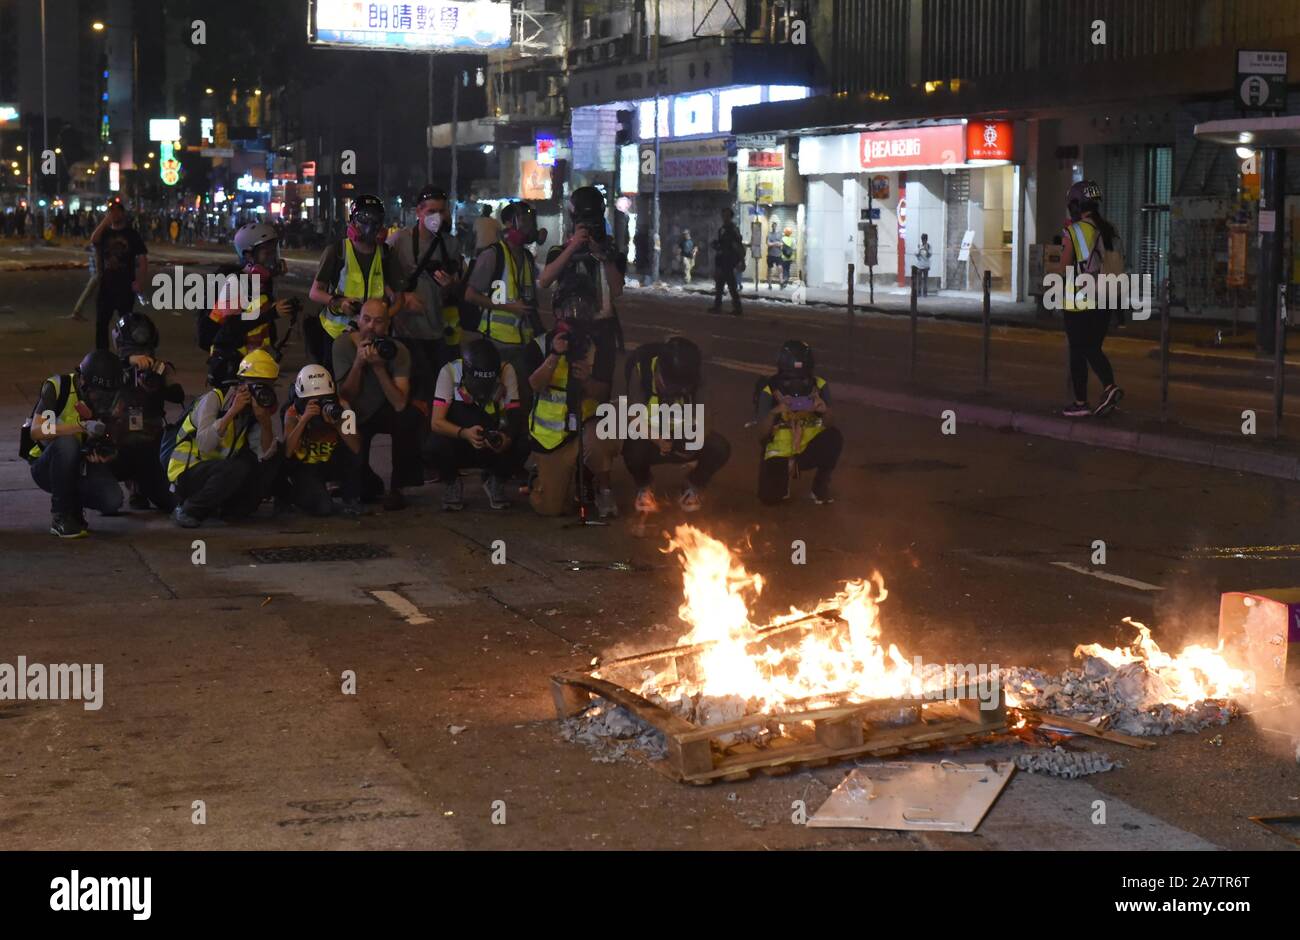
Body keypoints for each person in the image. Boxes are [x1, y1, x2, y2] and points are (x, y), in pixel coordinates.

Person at [524, 295, 623, 519]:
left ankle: (603, 489)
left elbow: (603, 394)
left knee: (603, 438)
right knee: (551, 508)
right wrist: (554, 356)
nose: (576, 315)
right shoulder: (539, 345)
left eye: (583, 309)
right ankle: (542, 474)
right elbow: (534, 385)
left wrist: (587, 381)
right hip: (552, 436)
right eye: (569, 309)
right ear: (557, 313)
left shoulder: (597, 347)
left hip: (585, 426)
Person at [168, 349, 283, 528]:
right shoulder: (214, 399)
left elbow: (264, 454)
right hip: (187, 473)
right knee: (237, 467)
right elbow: (205, 445)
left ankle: (231, 509)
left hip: (220, 474)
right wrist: (231, 412)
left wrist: (265, 422)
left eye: (267, 386)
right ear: (242, 384)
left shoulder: (254, 412)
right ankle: (188, 509)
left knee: (273, 456)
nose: (262, 391)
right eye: (257, 385)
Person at [23, 351, 129, 538]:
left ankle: (74, 507)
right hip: (47, 465)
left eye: (108, 394)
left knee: (112, 501)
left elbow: (111, 436)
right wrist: (80, 426)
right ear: (83, 382)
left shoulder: (111, 402)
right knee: (67, 443)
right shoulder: (58, 387)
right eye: (98, 394)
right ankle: (61, 515)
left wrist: (106, 452)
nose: (102, 399)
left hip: (81, 464)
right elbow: (37, 431)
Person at [622, 337, 731, 513]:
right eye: (672, 386)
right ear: (660, 371)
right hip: (650, 437)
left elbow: (706, 417)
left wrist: (695, 443)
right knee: (631, 450)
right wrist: (658, 440)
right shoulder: (642, 370)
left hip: (681, 435)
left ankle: (693, 484)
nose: (677, 392)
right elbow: (634, 418)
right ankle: (645, 485)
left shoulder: (695, 377)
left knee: (719, 448)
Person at [332, 299, 422, 510]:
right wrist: (358, 364)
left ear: (387, 325)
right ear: (358, 320)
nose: (371, 326)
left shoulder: (398, 351)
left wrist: (380, 368)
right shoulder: (342, 345)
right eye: (367, 319)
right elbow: (346, 395)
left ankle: (399, 487)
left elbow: (400, 403)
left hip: (385, 409)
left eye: (378, 321)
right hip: (354, 411)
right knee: (360, 492)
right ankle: (354, 479)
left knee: (409, 416)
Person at [539, 185, 624, 407]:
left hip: (601, 330)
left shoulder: (610, 253)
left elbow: (616, 290)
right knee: (565, 385)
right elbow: (545, 280)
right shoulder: (560, 250)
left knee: (598, 391)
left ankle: (592, 431)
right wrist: (572, 246)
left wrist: (602, 256)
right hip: (567, 328)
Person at [307, 194, 403, 372]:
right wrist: (339, 302)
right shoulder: (337, 251)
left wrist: (382, 317)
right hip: (336, 334)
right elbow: (315, 292)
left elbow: (399, 298)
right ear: (352, 221)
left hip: (371, 336)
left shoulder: (386, 254)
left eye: (376, 220)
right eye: (364, 219)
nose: (370, 227)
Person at [429, 339, 527, 511]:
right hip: (460, 439)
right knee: (433, 443)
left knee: (524, 439)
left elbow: (515, 414)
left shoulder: (506, 369)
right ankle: (452, 481)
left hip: (492, 439)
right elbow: (436, 422)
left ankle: (496, 479)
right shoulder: (450, 371)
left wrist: (507, 438)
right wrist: (464, 433)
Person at [465, 201, 544, 400]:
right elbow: (471, 295)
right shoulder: (492, 255)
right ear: (509, 223)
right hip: (497, 344)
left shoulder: (526, 257)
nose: (529, 227)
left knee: (523, 397)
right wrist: (509, 307)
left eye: (531, 221)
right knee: (500, 399)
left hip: (524, 343)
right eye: (524, 221)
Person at [1059, 179, 1124, 418]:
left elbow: (1064, 265)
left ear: (1076, 205)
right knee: (1092, 348)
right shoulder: (1109, 230)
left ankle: (1088, 399)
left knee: (1079, 350)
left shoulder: (1074, 231)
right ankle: (1104, 393)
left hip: (1079, 301)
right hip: (1105, 300)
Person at [387, 185, 464, 387]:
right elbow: (380, 280)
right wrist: (402, 298)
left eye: (441, 211)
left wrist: (450, 286)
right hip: (405, 333)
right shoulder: (398, 241)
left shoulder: (451, 244)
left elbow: (459, 288)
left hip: (439, 334)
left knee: (436, 392)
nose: (437, 217)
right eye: (431, 211)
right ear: (419, 212)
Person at [109, 311, 181, 513]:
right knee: (109, 500)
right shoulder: (112, 368)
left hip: (150, 444)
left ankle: (142, 486)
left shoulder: (159, 369)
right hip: (116, 445)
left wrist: (159, 382)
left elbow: (177, 394)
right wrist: (127, 363)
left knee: (170, 502)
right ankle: (131, 485)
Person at [755, 341, 842, 505]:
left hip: (807, 447)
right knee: (769, 499)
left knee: (834, 438)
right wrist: (775, 411)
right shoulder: (769, 389)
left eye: (802, 377)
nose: (796, 383)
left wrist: (824, 410)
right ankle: (782, 477)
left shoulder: (819, 386)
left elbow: (830, 422)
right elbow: (761, 434)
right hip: (780, 453)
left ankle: (820, 487)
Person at [203, 221, 297, 360]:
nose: (273, 258)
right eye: (267, 252)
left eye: (274, 251)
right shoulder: (236, 283)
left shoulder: (262, 281)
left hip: (254, 359)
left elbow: (257, 313)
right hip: (232, 359)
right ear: (248, 255)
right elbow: (231, 327)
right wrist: (272, 313)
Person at [280, 364, 363, 516]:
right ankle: (291, 495)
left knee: (371, 488)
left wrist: (338, 424)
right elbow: (287, 451)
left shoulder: (343, 407)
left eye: (324, 399)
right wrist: (304, 421)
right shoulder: (292, 411)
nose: (319, 404)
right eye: (312, 400)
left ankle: (347, 494)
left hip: (332, 461)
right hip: (305, 465)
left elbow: (356, 448)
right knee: (323, 508)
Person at [90, 198, 148, 350]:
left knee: (126, 322)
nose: (114, 214)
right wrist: (105, 221)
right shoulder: (105, 233)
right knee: (101, 322)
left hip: (125, 285)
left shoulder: (131, 234)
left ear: (123, 213)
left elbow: (142, 259)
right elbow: (93, 239)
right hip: (106, 285)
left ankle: (127, 352)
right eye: (111, 211)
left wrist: (140, 281)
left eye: (117, 211)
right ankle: (102, 354)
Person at [710, 208, 745, 316]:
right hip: (722, 260)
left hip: (729, 261)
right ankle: (718, 305)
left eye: (726, 215)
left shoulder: (733, 229)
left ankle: (737, 308)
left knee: (731, 285)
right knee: (720, 284)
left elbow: (738, 245)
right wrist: (716, 245)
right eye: (723, 215)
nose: (724, 217)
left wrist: (741, 260)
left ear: (730, 217)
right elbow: (721, 244)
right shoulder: (722, 229)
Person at [766, 221, 784, 289]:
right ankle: (770, 285)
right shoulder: (769, 234)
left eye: (775, 226)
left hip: (778, 255)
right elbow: (768, 244)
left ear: (776, 226)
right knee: (770, 270)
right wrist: (776, 243)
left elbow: (782, 243)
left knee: (780, 269)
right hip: (770, 255)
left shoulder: (779, 234)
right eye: (773, 226)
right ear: (772, 227)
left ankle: (781, 283)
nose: (774, 227)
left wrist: (773, 243)